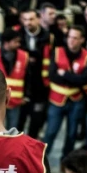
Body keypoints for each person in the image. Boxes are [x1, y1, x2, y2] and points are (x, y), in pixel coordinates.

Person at [44, 25, 87, 158]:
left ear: (82, 40)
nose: (72, 41)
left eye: (76, 38)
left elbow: (85, 79)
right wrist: (75, 78)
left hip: (76, 100)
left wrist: (65, 74)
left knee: (72, 134)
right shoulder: (57, 51)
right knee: (50, 132)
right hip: (56, 99)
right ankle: (40, 160)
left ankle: (66, 161)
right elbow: (52, 76)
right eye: (70, 37)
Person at [17, 9, 53, 139]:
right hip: (22, 85)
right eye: (25, 19)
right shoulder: (18, 35)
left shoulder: (48, 36)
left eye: (31, 19)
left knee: (36, 122)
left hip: (40, 87)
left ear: (38, 19)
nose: (28, 23)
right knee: (18, 123)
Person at [0, 29, 28, 129]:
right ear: (6, 42)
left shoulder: (23, 56)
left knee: (12, 131)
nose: (18, 44)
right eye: (16, 41)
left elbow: (28, 77)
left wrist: (27, 96)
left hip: (16, 101)